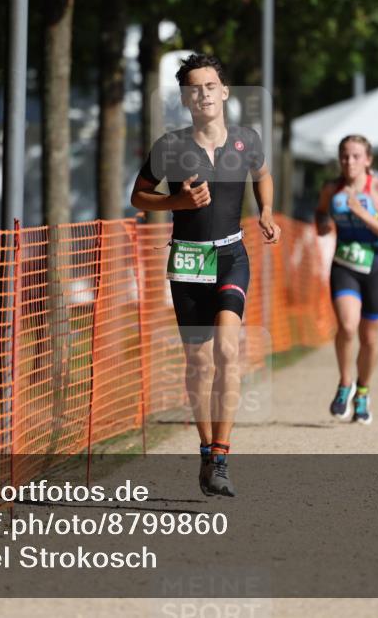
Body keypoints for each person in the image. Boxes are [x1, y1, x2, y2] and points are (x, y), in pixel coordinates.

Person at [130, 53, 279, 497]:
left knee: (228, 351)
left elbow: (263, 175)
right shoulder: (170, 147)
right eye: (194, 89)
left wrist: (266, 210)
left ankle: (221, 455)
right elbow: (139, 196)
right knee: (198, 362)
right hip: (189, 261)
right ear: (185, 99)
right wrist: (176, 203)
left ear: (224, 92)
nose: (203, 94)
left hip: (231, 255)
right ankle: (204, 448)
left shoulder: (246, 140)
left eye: (210, 86)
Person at [315, 135, 378, 424]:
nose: (349, 161)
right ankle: (345, 383)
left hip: (374, 266)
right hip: (344, 266)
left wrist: (363, 214)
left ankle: (363, 391)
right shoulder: (331, 188)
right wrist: (322, 225)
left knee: (369, 338)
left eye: (355, 156)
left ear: (368, 160)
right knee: (347, 327)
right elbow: (320, 213)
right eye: (344, 156)